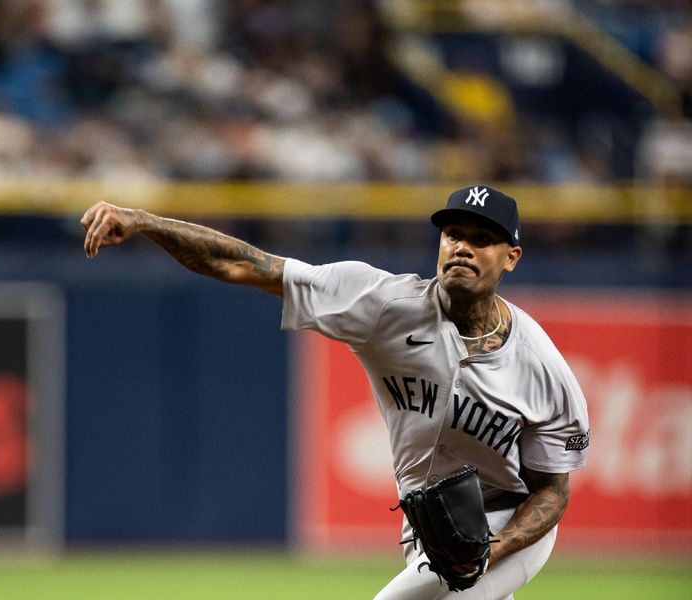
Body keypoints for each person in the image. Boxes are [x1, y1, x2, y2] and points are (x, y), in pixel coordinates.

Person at [81, 184, 589, 599]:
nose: (462, 246)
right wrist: (147, 222)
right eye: (453, 233)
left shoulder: (542, 367)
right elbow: (246, 265)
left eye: (481, 239)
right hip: (427, 531)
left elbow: (551, 490)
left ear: (512, 257)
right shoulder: (384, 304)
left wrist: (493, 549)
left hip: (510, 524)